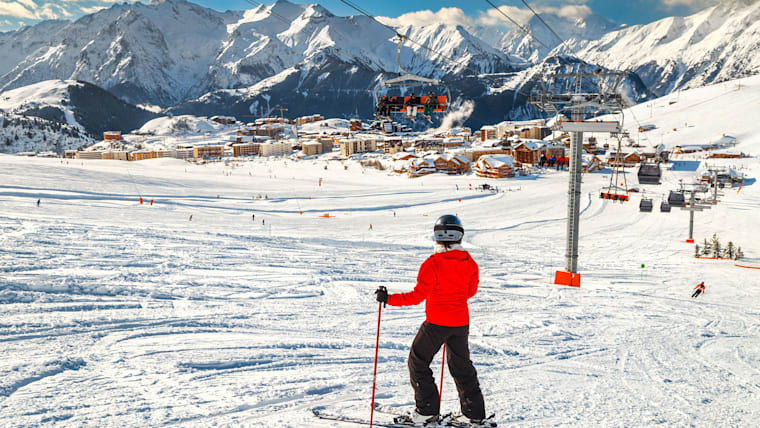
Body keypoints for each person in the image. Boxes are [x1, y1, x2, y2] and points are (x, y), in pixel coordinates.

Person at [375, 215, 488, 426]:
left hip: (436, 323)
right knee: (462, 368)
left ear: (436, 237)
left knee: (417, 363)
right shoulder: (469, 263)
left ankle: (427, 411)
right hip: (460, 324)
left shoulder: (432, 264)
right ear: (460, 237)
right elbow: (469, 292)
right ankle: (474, 414)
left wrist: (389, 299)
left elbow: (417, 296)